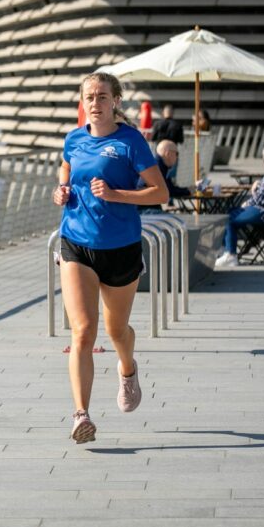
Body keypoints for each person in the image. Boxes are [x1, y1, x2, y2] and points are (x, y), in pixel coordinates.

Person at [52, 72, 169, 444]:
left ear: (116, 101)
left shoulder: (130, 141)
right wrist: (61, 189)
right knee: (83, 331)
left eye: (102, 96)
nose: (95, 103)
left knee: (117, 331)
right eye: (89, 96)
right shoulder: (74, 139)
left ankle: (127, 368)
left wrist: (118, 195)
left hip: (120, 248)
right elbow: (67, 168)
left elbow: (159, 193)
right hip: (76, 243)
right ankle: (80, 415)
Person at [215, 144, 264, 267]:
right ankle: (225, 249)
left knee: (228, 218)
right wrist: (259, 183)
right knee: (231, 211)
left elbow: (261, 200)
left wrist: (250, 195)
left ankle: (230, 254)